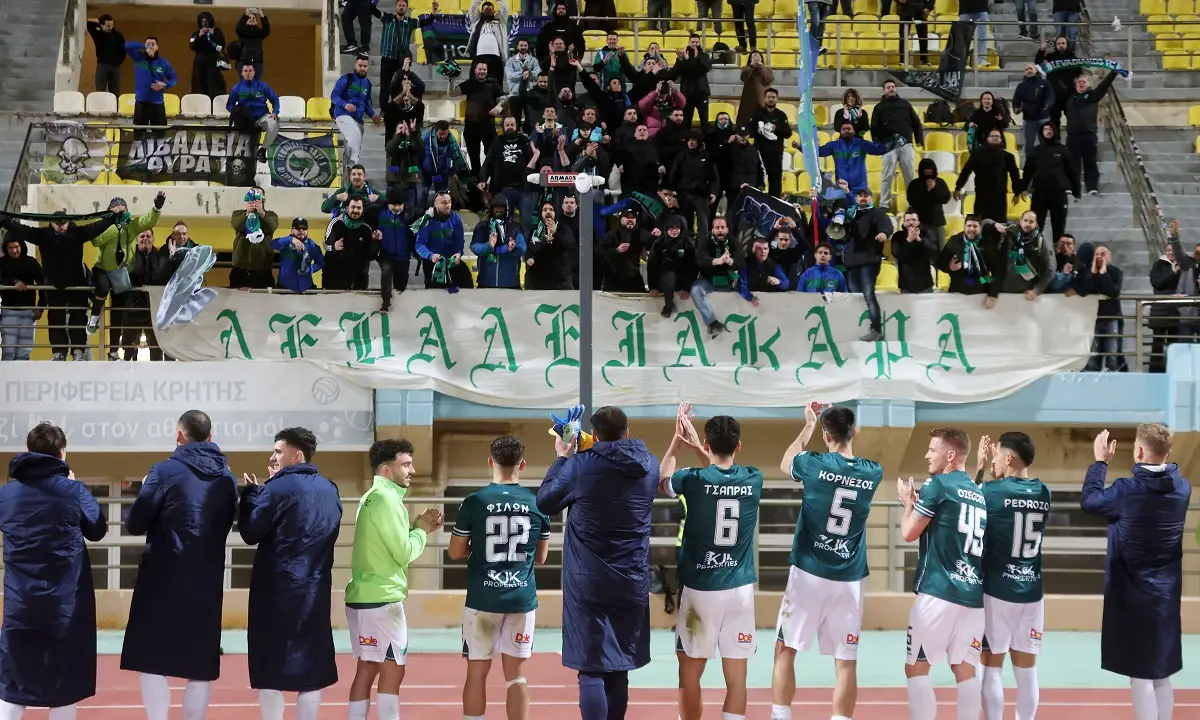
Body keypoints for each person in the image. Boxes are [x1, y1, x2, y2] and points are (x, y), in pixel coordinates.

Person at [536, 406, 658, 720]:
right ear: (627, 433)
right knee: (618, 666)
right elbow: (613, 458)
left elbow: (546, 501)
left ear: (595, 435)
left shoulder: (580, 466)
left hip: (587, 582)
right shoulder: (650, 465)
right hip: (631, 581)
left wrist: (563, 455)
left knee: (591, 667)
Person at [121, 410, 238, 720]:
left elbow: (135, 523)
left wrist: (145, 488)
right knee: (200, 665)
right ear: (210, 437)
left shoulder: (163, 472)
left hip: (161, 579)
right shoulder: (227, 479)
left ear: (178, 435)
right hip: (206, 583)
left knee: (151, 658)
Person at [771, 404, 883, 720]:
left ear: (825, 436)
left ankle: (781, 715)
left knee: (785, 649)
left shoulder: (812, 463)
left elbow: (786, 460)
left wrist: (808, 425)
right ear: (854, 432)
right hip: (849, 578)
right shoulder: (873, 471)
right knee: (845, 660)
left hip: (808, 573)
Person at [659, 406, 761, 720]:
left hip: (700, 591)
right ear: (738, 445)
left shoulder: (692, 479)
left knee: (689, 676)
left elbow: (662, 480)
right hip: (740, 592)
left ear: (706, 443)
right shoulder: (753, 478)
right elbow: (723, 476)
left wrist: (679, 443)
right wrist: (699, 449)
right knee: (737, 679)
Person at [1081, 425, 1190, 720]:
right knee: (1162, 672)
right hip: (1166, 596)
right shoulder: (1183, 489)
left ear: (1139, 451)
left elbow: (1089, 501)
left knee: (1140, 675)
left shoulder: (1126, 490)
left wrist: (1100, 462)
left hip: (1133, 595)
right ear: (1168, 452)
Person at [0, 422, 107, 719]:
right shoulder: (73, 491)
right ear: (61, 452)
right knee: (63, 686)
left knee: (13, 683)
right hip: (65, 606)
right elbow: (97, 529)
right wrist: (74, 487)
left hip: (20, 604)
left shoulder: (7, 494)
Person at [239, 428, 342, 720]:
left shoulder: (275, 489)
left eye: (278, 452)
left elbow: (250, 531)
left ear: (297, 456)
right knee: (312, 669)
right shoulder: (330, 489)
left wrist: (252, 494)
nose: (272, 457)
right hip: (315, 591)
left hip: (275, 592)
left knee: (269, 667)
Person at [449, 435, 551, 720]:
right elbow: (540, 558)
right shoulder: (538, 503)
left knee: (476, 673)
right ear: (522, 464)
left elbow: (455, 551)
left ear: (490, 461)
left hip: (483, 599)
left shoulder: (474, 502)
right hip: (521, 598)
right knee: (516, 675)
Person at [344, 439, 444, 720]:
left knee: (366, 668)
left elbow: (386, 544)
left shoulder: (371, 496)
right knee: (393, 670)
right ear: (387, 469)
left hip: (362, 596)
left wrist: (413, 527)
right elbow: (403, 552)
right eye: (406, 464)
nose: (412, 470)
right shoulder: (388, 500)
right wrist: (422, 530)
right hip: (383, 599)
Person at [898, 428, 988, 720]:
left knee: (916, 667)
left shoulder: (936, 485)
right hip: (972, 596)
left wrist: (908, 505)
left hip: (939, 592)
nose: (927, 455)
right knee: (965, 671)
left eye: (932, 449)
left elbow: (909, 532)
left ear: (950, 456)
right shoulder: (978, 492)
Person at [973, 432, 1051, 720]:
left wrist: (980, 469)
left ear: (1009, 458)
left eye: (996, 455)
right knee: (1027, 673)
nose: (993, 460)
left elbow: (968, 502)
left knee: (990, 667)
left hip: (997, 591)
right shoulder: (1044, 493)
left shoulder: (991, 492)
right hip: (1032, 593)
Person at [0, 212, 115, 361]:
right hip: (54, 285)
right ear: (51, 223)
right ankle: (59, 351)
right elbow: (21, 229)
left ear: (68, 223)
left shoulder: (78, 233)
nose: (60, 227)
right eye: (57, 224)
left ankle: (78, 351)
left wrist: (113, 218)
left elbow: (97, 227)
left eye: (63, 224)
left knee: (79, 318)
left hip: (76, 284)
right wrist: (4, 220)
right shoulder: (42, 235)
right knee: (55, 318)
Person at [1065, 71, 1119, 197]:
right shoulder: (1069, 97)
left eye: (1084, 82)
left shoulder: (1092, 96)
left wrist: (1113, 73)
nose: (1081, 83)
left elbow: (1104, 86)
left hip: (1088, 135)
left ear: (1089, 85)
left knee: (1090, 162)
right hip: (1072, 136)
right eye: (1079, 81)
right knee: (1072, 163)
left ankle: (1092, 187)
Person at [332, 55, 382, 175]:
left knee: (355, 143)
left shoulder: (367, 83)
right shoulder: (346, 79)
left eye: (365, 66)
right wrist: (345, 105)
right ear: (355, 65)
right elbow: (334, 96)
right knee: (354, 133)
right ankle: (352, 166)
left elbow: (366, 103)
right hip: (343, 115)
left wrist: (373, 116)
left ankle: (348, 169)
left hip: (358, 119)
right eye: (360, 66)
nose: (362, 68)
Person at [0, 233, 45, 361]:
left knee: (24, 353)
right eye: (10, 248)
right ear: (6, 248)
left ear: (21, 246)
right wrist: (13, 282)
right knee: (8, 352)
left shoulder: (31, 263)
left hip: (28, 312)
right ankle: (6, 375)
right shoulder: (2, 263)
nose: (14, 251)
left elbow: (44, 284)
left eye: (16, 247)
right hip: (8, 311)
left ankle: (20, 375)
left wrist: (41, 307)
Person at [227, 63, 281, 164]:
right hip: (245, 120)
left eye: (250, 71)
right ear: (242, 73)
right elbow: (229, 105)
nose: (248, 73)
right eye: (245, 71)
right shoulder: (236, 88)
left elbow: (275, 99)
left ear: (254, 73)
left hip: (262, 117)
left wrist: (275, 112)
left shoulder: (262, 85)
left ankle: (263, 150)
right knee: (246, 152)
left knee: (274, 124)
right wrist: (237, 113)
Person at [124, 36, 178, 131]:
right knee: (139, 134)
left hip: (157, 103)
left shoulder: (163, 63)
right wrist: (143, 46)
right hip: (141, 103)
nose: (150, 46)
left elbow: (174, 78)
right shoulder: (139, 59)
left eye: (153, 44)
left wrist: (165, 85)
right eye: (148, 44)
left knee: (160, 134)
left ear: (157, 47)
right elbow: (126, 46)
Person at [189, 12, 228, 98]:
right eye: (203, 22)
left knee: (214, 88)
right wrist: (199, 36)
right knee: (199, 87)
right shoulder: (196, 34)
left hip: (213, 65)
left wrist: (213, 35)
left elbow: (221, 45)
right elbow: (192, 46)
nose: (205, 24)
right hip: (199, 66)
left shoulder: (217, 32)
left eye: (206, 22)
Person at [87, 14, 126, 95]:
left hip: (115, 66)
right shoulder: (98, 34)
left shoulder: (118, 36)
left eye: (111, 25)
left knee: (115, 90)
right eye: (108, 25)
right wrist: (100, 27)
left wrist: (119, 61)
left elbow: (123, 49)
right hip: (102, 64)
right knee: (100, 89)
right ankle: (101, 103)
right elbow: (89, 24)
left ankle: (115, 103)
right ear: (101, 25)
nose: (110, 27)